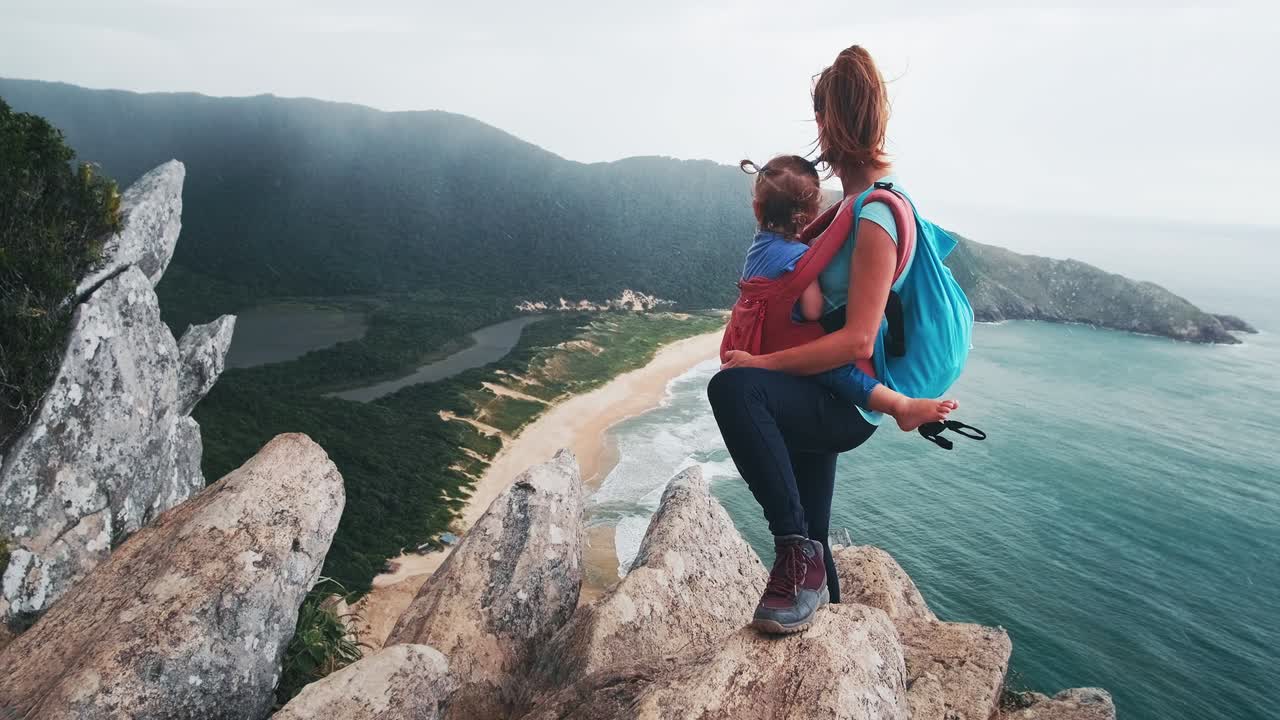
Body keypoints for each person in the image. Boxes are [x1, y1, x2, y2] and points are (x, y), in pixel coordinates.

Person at [709, 45, 936, 634]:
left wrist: (761, 363)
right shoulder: (852, 207)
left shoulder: (875, 217)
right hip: (819, 389)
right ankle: (825, 616)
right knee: (815, 525)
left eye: (817, 120)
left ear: (827, 124)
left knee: (734, 390)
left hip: (843, 398)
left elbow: (854, 337)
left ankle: (795, 556)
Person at [736, 154, 958, 432]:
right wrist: (815, 274)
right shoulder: (798, 258)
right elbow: (813, 310)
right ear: (813, 212)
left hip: (753, 340)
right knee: (839, 371)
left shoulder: (756, 248)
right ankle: (900, 407)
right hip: (783, 346)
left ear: (758, 209)